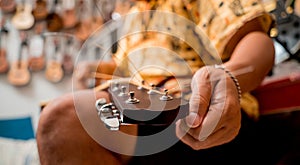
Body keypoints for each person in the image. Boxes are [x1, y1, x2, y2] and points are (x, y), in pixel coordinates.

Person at [36, 0, 277, 164]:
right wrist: (98, 71)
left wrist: (229, 78)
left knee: (63, 120)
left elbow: (255, 40)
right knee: (63, 122)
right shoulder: (133, 17)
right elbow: (131, 73)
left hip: (199, 111)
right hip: (149, 112)